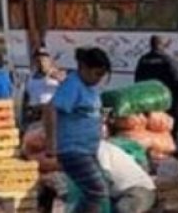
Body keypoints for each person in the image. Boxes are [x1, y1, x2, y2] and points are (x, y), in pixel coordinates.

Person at [45, 47, 111, 213]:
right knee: (97, 191)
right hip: (73, 150)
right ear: (83, 67)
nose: (98, 79)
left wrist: (105, 117)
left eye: (101, 76)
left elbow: (94, 110)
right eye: (96, 74)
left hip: (87, 149)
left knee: (99, 189)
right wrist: (51, 144)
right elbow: (51, 109)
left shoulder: (90, 87)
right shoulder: (73, 85)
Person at [97, 140, 156, 213]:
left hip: (139, 191)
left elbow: (104, 177)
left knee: (123, 209)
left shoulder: (101, 148)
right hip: (118, 195)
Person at [25, 48, 64, 124]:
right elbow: (28, 93)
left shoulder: (56, 74)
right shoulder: (31, 75)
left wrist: (52, 73)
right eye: (38, 59)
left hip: (49, 114)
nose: (40, 62)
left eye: (43, 59)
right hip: (33, 113)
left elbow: (66, 84)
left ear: (48, 60)